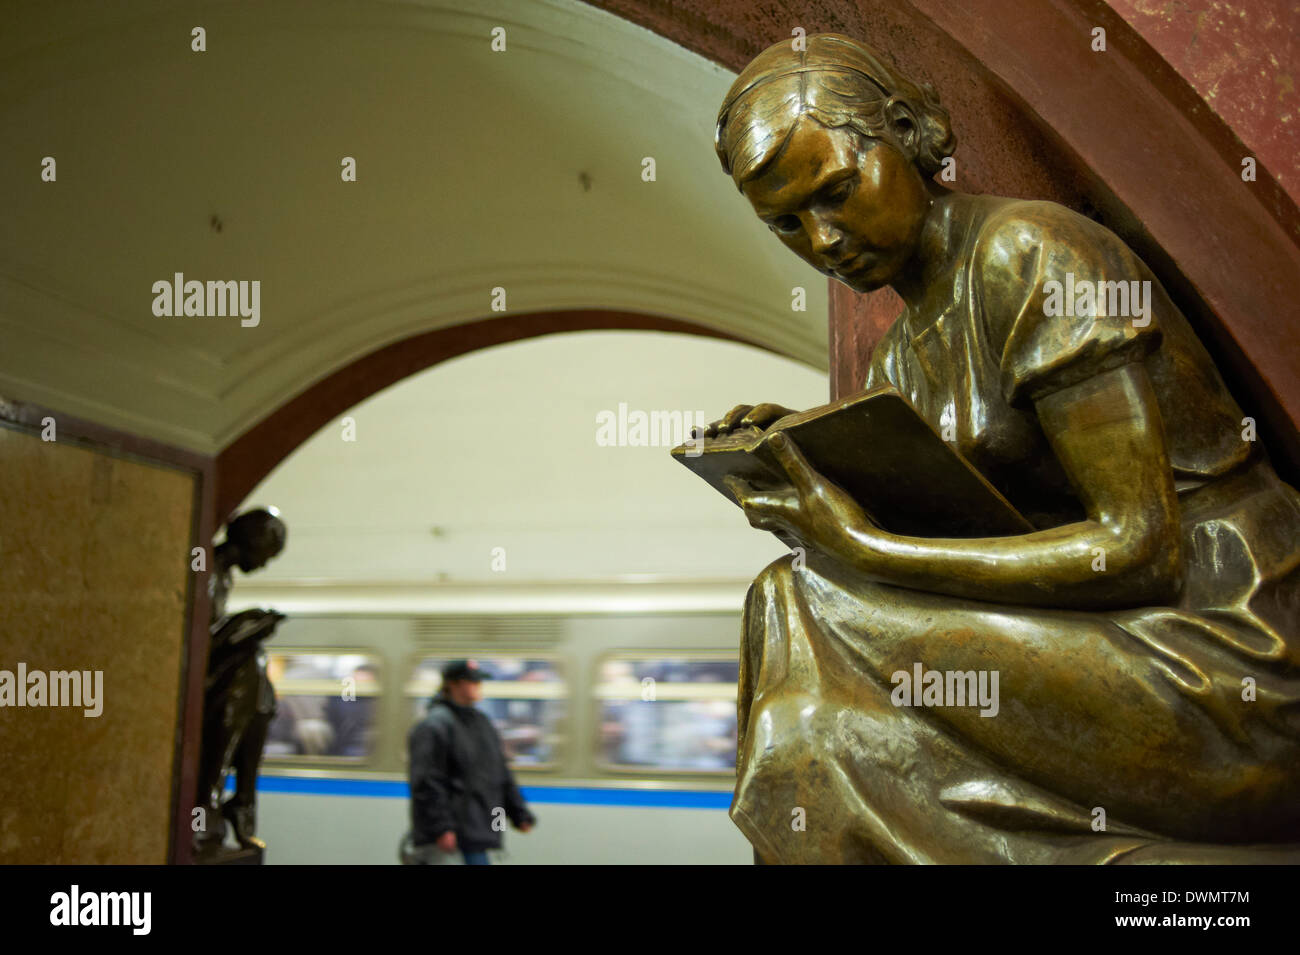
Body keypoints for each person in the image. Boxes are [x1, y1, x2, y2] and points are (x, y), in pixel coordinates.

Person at [704, 33, 1300, 863]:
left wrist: (866, 545)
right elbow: (977, 530)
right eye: (787, 223)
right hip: (1096, 638)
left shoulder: (1031, 256)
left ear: (908, 131)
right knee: (807, 733)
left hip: (1222, 637)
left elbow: (1139, 549)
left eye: (837, 190)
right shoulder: (900, 357)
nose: (824, 237)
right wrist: (815, 465)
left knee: (799, 598)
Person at [407, 660, 536, 865]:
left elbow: (500, 772)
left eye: (478, 682)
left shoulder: (481, 723)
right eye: (471, 682)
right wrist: (441, 827)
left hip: (476, 830)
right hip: (449, 835)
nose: (477, 686)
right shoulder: (434, 725)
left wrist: (518, 813)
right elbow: (427, 781)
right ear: (452, 685)